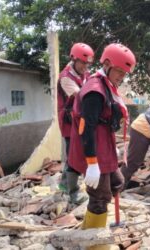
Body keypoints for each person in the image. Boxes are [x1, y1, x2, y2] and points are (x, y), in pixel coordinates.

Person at [68, 43, 136, 244]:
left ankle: (89, 230)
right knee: (100, 196)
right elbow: (86, 128)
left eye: (125, 73)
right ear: (107, 64)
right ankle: (94, 243)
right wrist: (91, 163)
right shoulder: (95, 90)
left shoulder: (107, 85)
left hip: (103, 144)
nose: (121, 77)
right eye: (119, 71)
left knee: (117, 182)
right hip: (92, 148)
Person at [57, 43, 94, 205]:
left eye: (88, 64)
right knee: (74, 155)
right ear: (74, 59)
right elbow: (81, 96)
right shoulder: (66, 77)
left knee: (71, 153)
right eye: (82, 63)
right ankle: (73, 194)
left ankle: (64, 185)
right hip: (69, 120)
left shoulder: (84, 74)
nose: (85, 67)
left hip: (78, 118)